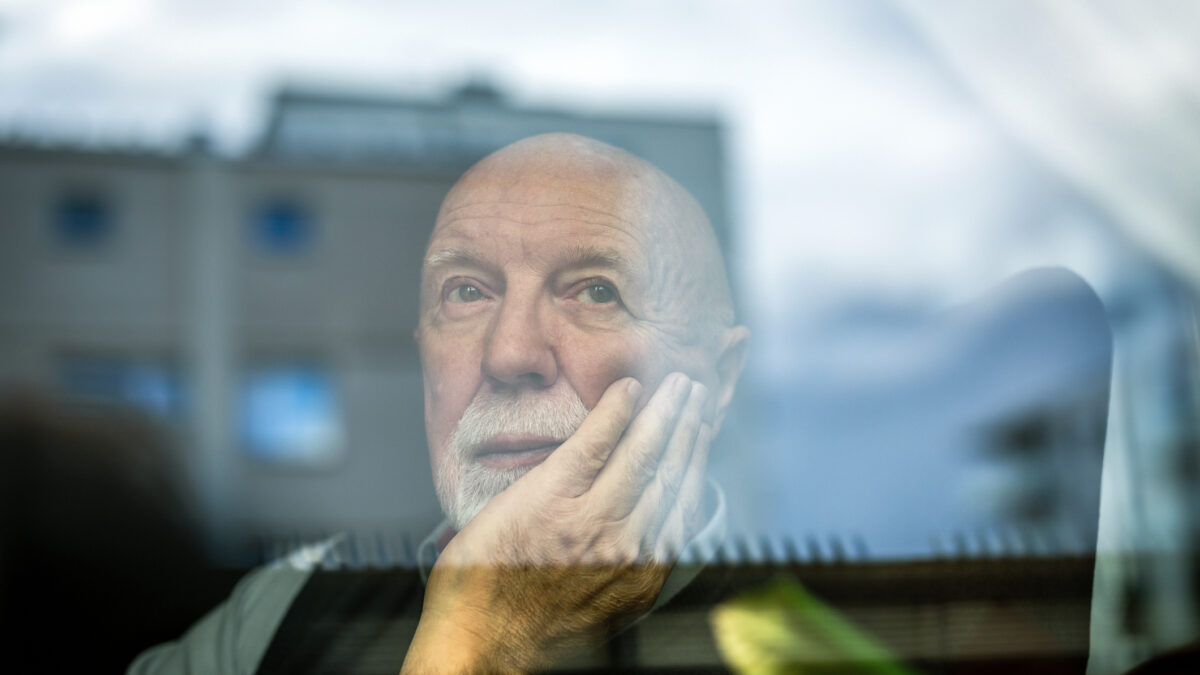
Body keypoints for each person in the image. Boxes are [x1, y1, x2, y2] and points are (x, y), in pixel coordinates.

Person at [130, 132, 749, 673]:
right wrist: (483, 643)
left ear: (718, 383)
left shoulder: (814, 638)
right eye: (467, 291)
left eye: (595, 291)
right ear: (423, 354)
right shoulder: (283, 617)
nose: (509, 354)